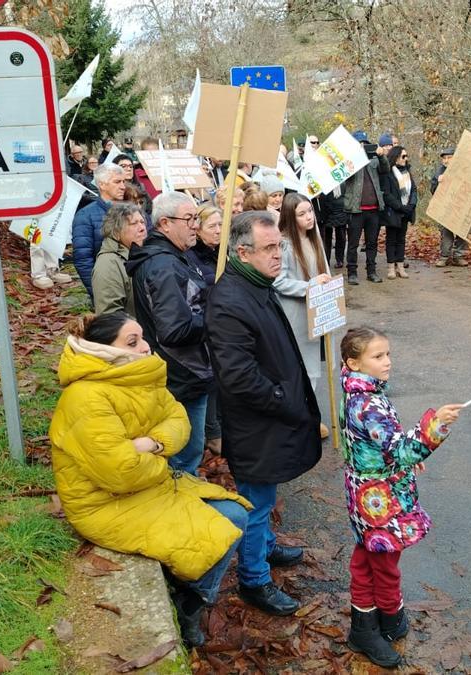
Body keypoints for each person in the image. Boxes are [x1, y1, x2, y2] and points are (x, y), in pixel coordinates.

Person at [47, 312, 251, 649]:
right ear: (104, 349)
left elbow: (178, 420)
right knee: (225, 526)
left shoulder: (137, 377)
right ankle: (191, 604)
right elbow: (121, 472)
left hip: (148, 486)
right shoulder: (85, 398)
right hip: (105, 504)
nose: (145, 347)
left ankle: (192, 594)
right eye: (132, 342)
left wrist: (153, 445)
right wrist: (161, 459)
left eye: (141, 338)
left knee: (236, 515)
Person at [206, 211, 322, 617]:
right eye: (270, 249)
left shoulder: (256, 284)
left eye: (279, 247)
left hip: (269, 417)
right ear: (242, 252)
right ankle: (254, 579)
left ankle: (266, 549)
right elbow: (238, 377)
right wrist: (283, 401)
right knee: (255, 503)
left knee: (265, 495)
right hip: (257, 424)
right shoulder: (229, 301)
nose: (278, 256)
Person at [337, 326, 463, 668]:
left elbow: (375, 447)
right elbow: (402, 449)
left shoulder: (359, 392)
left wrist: (397, 459)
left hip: (367, 491)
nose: (388, 361)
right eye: (378, 356)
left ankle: (383, 621)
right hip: (378, 499)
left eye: (388, 353)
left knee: (370, 555)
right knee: (384, 560)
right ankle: (375, 622)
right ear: (354, 362)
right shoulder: (369, 404)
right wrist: (435, 425)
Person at [126, 192, 212, 475]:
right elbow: (174, 329)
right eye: (189, 219)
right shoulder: (163, 266)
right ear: (164, 223)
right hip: (182, 374)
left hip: (182, 372)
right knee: (184, 456)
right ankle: (183, 506)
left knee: (185, 452)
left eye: (197, 218)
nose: (195, 225)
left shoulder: (173, 257)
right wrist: (215, 319)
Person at [273, 193, 333, 436]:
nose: (309, 217)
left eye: (310, 211)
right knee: (302, 369)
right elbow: (279, 281)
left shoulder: (314, 238)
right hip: (296, 313)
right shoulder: (285, 244)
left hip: (318, 310)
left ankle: (308, 415)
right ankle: (300, 419)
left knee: (316, 366)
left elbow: (323, 271)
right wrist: (310, 287)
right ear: (290, 216)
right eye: (302, 213)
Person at [185, 204, 224, 454]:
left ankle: (220, 424)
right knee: (210, 381)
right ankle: (212, 432)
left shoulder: (222, 252)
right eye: (213, 226)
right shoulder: (192, 257)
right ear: (199, 230)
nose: (219, 231)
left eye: (222, 225)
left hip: (222, 322)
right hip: (205, 323)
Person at [72, 162, 126, 299]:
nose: (123, 186)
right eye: (117, 182)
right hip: (107, 289)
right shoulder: (85, 216)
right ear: (102, 184)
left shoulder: (132, 211)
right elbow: (83, 259)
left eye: (124, 182)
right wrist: (98, 292)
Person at [343, 131, 386, 285]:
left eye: (365, 143)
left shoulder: (373, 160)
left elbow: (385, 169)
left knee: (372, 243)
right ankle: (352, 273)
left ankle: (371, 271)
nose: (363, 146)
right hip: (356, 211)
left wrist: (381, 155)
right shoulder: (349, 162)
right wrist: (355, 157)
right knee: (353, 244)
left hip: (373, 209)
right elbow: (344, 177)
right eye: (360, 143)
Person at [92, 202, 148, 315]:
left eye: (142, 222)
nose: (142, 228)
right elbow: (110, 316)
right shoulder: (108, 264)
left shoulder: (140, 254)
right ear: (116, 232)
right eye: (134, 224)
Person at [430, 146, 470, 267]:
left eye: (449, 157)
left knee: (462, 231)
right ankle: (444, 256)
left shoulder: (464, 171)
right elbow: (433, 190)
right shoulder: (439, 172)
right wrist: (438, 183)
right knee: (446, 232)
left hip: (461, 205)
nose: (446, 160)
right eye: (444, 158)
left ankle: (459, 256)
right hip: (445, 207)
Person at [381, 146, 416, 280]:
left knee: (401, 240)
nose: (406, 159)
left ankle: (400, 266)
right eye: (403, 156)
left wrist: (411, 205)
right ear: (396, 157)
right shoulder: (389, 173)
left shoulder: (408, 172)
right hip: (394, 211)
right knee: (391, 240)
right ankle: (391, 267)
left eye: (406, 156)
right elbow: (387, 194)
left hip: (406, 212)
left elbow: (414, 190)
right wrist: (400, 207)